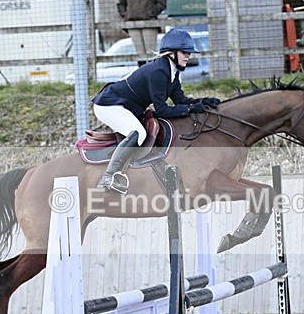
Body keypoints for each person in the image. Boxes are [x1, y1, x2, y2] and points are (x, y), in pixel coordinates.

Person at [92, 28, 220, 194]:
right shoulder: (159, 71)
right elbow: (161, 110)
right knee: (138, 133)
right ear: (171, 53)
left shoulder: (172, 72)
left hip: (127, 106)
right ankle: (109, 177)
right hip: (109, 105)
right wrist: (189, 109)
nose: (188, 56)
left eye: (189, 53)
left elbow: (180, 100)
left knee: (141, 132)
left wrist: (202, 102)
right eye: (184, 52)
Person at [117, 0, 167, 65]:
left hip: (149, 22)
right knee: (139, 53)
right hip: (132, 23)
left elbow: (161, 1)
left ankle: (153, 74)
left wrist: (151, 13)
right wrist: (126, 15)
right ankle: (142, 76)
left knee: (151, 51)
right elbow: (121, 3)